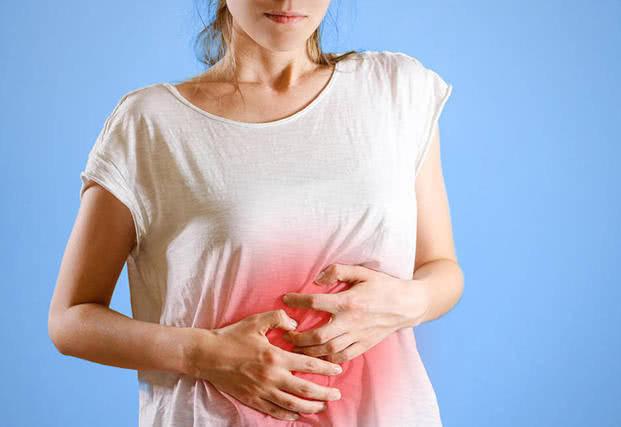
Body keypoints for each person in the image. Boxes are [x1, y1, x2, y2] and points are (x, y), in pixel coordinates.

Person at [48, 1, 464, 426]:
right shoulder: (151, 123)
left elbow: (441, 268)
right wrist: (204, 353)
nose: (288, 2)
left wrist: (407, 301)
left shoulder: (396, 90)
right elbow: (70, 319)